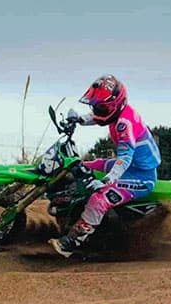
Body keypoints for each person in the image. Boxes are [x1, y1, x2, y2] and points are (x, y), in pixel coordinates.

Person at [49, 75, 161, 257]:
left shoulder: (125, 124)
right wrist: (79, 119)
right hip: (131, 165)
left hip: (140, 175)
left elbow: (124, 158)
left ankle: (72, 242)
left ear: (114, 105)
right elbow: (99, 117)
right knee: (82, 166)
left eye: (100, 106)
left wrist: (108, 180)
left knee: (99, 198)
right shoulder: (117, 112)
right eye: (95, 106)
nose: (96, 109)